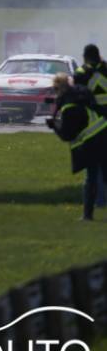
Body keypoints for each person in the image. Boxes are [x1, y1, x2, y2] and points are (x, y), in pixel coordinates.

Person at [47, 73, 107, 220]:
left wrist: (54, 125)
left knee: (91, 178)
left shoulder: (69, 106)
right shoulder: (81, 92)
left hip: (93, 140)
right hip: (104, 133)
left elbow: (67, 135)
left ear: (58, 89)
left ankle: (87, 216)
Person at [74, 44, 107, 207]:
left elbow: (78, 99)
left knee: (92, 170)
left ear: (85, 57)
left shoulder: (81, 74)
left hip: (92, 125)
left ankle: (97, 202)